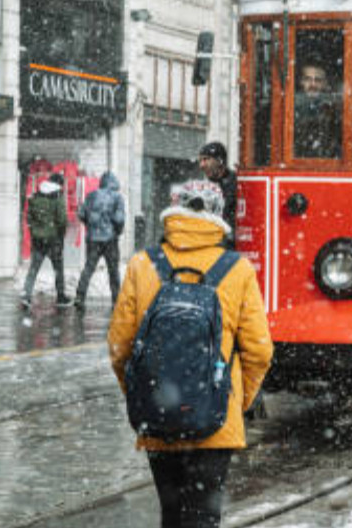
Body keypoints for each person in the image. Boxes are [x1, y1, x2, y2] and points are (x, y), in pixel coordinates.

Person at [108, 180, 273, 528]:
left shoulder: (142, 264)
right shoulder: (237, 269)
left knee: (171, 515)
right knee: (202, 516)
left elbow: (120, 347)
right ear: (217, 217)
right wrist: (233, 402)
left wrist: (147, 392)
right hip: (214, 418)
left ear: (173, 211)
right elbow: (259, 350)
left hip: (158, 417)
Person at [74, 172, 125, 310]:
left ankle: (79, 297)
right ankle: (116, 300)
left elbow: (81, 214)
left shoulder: (91, 196)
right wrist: (117, 231)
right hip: (110, 240)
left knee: (88, 268)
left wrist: (90, 227)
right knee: (113, 271)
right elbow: (119, 219)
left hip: (93, 239)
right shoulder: (117, 197)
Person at [22, 172, 71, 310]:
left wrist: (35, 232)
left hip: (38, 240)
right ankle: (61, 297)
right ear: (59, 184)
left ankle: (26, 296)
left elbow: (29, 218)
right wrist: (61, 234)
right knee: (58, 269)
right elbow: (62, 219)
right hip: (54, 239)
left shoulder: (36, 195)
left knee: (33, 269)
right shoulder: (57, 197)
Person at [292, 63, 341, 158]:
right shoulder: (289, 108)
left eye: (318, 80)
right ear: (301, 82)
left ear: (325, 83)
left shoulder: (333, 109)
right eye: (307, 79)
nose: (312, 84)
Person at [198, 142, 238, 248]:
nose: (201, 165)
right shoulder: (204, 188)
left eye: (206, 159)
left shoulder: (236, 184)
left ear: (219, 161)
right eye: (200, 161)